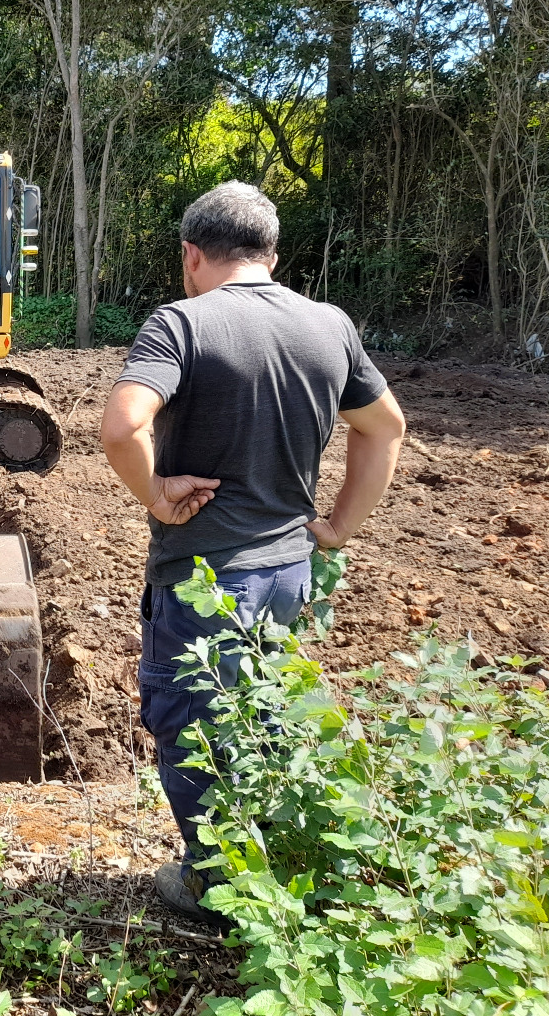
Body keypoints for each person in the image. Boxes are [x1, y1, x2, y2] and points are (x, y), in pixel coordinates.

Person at [99, 181, 405, 926]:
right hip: (290, 571)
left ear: (191, 255)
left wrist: (158, 493)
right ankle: (272, 867)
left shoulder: (182, 324)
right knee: (262, 716)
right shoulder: (328, 325)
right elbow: (385, 426)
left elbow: (120, 426)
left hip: (207, 575)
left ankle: (217, 890)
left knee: (193, 723)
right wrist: (337, 527)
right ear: (272, 254)